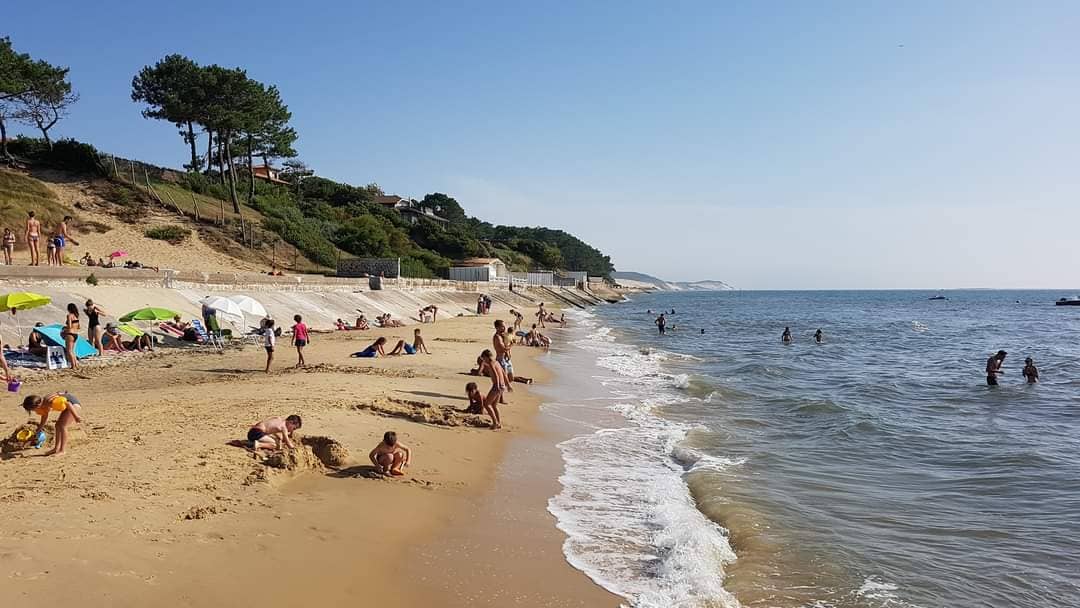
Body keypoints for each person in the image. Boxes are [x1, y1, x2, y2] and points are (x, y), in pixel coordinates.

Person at [22, 392, 83, 456]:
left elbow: (68, 404)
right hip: (68, 407)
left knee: (63, 426)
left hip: (74, 405)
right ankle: (56, 449)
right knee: (57, 425)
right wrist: (38, 430)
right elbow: (44, 418)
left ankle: (62, 450)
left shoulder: (49, 402)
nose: (34, 411)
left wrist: (76, 416)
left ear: (37, 405)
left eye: (33, 410)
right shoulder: (42, 405)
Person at [477, 349, 505, 429]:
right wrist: (507, 385)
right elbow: (503, 373)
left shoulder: (491, 363)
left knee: (486, 404)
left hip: (497, 386)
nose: (484, 361)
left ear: (486, 357)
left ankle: (495, 422)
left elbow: (496, 375)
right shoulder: (497, 362)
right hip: (502, 386)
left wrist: (498, 385)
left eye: (484, 359)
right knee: (494, 405)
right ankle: (499, 423)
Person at [62, 303, 80, 369]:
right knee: (72, 351)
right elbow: (78, 327)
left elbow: (69, 326)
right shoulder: (76, 316)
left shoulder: (69, 315)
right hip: (75, 334)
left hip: (70, 334)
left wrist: (64, 330)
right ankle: (76, 365)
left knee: (69, 350)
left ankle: (73, 366)